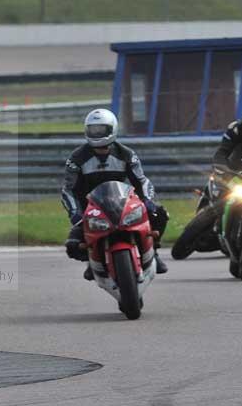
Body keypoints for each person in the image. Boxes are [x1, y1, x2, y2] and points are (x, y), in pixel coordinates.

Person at [61, 108, 169, 279]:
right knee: (73, 246)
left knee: (160, 214)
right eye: (93, 129)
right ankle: (93, 260)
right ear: (86, 130)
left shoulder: (126, 154)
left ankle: (153, 251)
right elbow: (68, 189)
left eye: (101, 129)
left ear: (112, 129)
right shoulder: (76, 159)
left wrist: (148, 200)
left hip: (120, 200)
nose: (97, 133)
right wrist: (75, 213)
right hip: (90, 207)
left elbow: (142, 181)